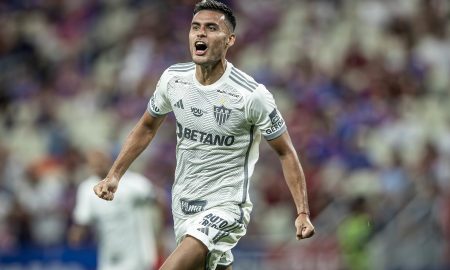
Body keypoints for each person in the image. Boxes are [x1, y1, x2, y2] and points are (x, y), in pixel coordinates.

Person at [94, 1, 315, 269]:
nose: (201, 34)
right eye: (195, 27)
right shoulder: (173, 80)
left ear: (230, 39)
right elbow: (147, 126)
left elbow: (285, 152)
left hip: (227, 205)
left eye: (211, 28)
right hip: (184, 204)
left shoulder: (251, 95)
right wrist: (115, 175)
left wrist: (302, 212)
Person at [69, 150, 163, 270]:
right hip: (109, 257)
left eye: (100, 162)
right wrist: (76, 234)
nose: (96, 167)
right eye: (92, 164)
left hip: (138, 255)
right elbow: (82, 221)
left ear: (109, 161)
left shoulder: (133, 182)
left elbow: (159, 200)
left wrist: (159, 234)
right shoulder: (87, 189)